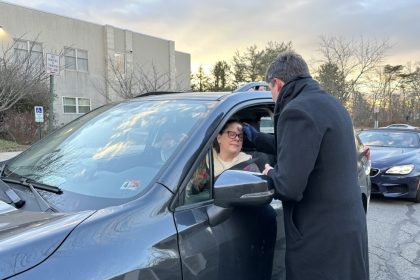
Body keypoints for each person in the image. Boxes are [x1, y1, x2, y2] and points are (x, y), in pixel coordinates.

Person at [243, 51, 369, 280]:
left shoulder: (296, 110)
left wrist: (271, 173)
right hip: (347, 229)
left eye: (270, 90)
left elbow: (289, 187)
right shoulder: (330, 103)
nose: (272, 97)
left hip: (320, 238)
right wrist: (254, 138)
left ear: (278, 84)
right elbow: (301, 147)